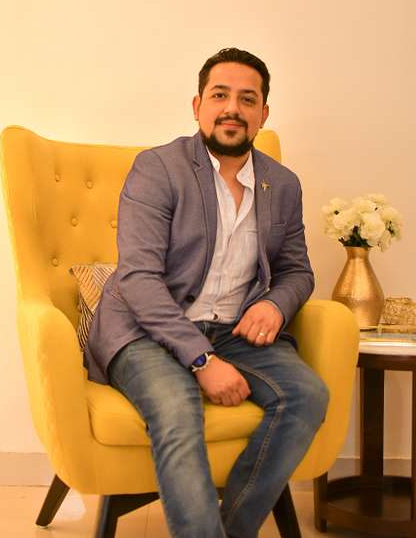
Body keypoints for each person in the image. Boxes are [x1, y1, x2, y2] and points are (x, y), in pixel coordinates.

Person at [83, 47, 329, 538]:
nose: (232, 108)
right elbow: (138, 278)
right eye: (220, 95)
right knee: (178, 410)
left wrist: (274, 304)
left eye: (247, 99)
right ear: (197, 106)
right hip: (146, 331)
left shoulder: (283, 185)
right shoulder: (157, 168)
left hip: (234, 330)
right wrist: (201, 360)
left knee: (307, 395)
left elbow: (297, 271)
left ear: (263, 113)